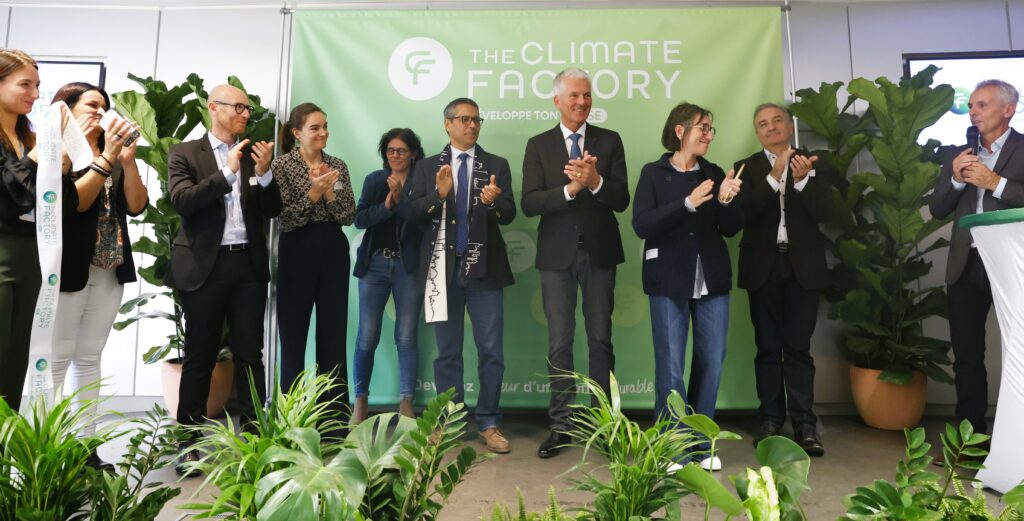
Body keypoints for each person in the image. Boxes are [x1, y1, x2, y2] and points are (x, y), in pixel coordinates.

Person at [165, 84, 281, 476]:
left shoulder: (253, 155)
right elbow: (183, 201)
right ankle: (190, 442)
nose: (246, 114)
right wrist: (228, 170)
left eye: (249, 108)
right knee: (200, 356)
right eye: (239, 107)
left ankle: (255, 437)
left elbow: (272, 209)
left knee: (251, 355)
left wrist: (263, 175)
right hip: (204, 268)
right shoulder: (185, 153)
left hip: (246, 267)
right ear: (214, 108)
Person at [521, 68, 629, 458]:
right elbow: (530, 202)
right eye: (574, 96)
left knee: (600, 339)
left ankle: (604, 424)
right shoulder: (539, 145)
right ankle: (562, 425)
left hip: (600, 253)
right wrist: (570, 189)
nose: (582, 102)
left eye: (586, 95)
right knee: (559, 342)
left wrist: (596, 181)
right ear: (557, 101)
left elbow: (621, 199)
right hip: (555, 256)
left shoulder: (610, 140)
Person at [398, 97, 516, 454]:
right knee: (447, 352)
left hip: (485, 270)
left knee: (491, 350)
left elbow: (509, 213)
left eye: (476, 120)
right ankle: (448, 422)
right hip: (441, 272)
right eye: (464, 119)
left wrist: (494, 200)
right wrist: (438, 195)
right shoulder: (428, 167)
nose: (472, 125)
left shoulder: (496, 164)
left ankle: (490, 422)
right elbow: (410, 212)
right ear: (447, 124)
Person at [632, 102, 742, 472]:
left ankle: (701, 444)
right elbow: (642, 225)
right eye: (703, 127)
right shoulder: (654, 172)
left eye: (711, 129)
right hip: (667, 278)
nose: (709, 135)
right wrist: (686, 204)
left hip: (711, 277)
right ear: (680, 131)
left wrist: (726, 199)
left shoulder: (713, 172)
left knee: (711, 360)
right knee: (671, 366)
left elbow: (729, 228)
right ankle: (671, 446)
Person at [50, 83, 148, 469]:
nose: (100, 111)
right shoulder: (56, 152)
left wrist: (127, 161)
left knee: (89, 356)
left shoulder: (113, 150)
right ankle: (47, 447)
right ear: (66, 109)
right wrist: (105, 158)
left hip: (109, 266)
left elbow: (137, 206)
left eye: (104, 106)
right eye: (91, 105)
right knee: (56, 359)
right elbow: (75, 205)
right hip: (69, 265)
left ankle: (83, 447)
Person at [733, 103, 831, 457]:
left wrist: (803, 181)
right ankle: (771, 420)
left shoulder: (814, 162)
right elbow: (743, 214)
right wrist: (774, 176)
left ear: (789, 126)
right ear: (757, 132)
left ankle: (806, 424)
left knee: (799, 349)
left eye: (777, 121)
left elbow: (828, 213)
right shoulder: (746, 167)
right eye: (763, 124)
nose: (771, 128)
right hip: (763, 268)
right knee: (768, 348)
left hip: (803, 267)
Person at [929, 79, 1024, 436]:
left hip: (1013, 262)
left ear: (1008, 109)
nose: (973, 111)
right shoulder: (961, 153)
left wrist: (994, 182)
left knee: (1020, 352)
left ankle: (1015, 440)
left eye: (982, 105)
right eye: (971, 105)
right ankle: (969, 440)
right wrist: (955, 179)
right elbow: (937, 209)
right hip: (967, 263)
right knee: (968, 358)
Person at [0, 48, 79, 413]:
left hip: (31, 256)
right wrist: (41, 153)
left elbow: (51, 204)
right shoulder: (32, 145)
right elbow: (10, 195)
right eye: (24, 84)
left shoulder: (29, 137)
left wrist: (59, 166)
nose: (35, 94)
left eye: (38, 85)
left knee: (17, 360)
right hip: (3, 253)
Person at [273, 102, 355, 421]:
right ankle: (293, 418)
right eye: (315, 128)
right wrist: (313, 194)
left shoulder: (338, 165)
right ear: (297, 133)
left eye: (325, 126)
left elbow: (348, 214)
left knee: (333, 338)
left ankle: (334, 420)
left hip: (333, 252)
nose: (323, 133)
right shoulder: (282, 166)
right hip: (296, 252)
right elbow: (285, 220)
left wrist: (329, 193)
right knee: (292, 340)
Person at [352, 128, 425, 423]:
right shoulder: (374, 180)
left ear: (414, 154)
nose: (395, 156)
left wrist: (402, 198)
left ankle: (406, 402)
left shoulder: (422, 182)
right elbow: (359, 219)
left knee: (406, 337)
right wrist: (387, 204)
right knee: (367, 336)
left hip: (408, 268)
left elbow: (423, 219)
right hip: (375, 266)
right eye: (390, 151)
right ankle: (360, 401)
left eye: (402, 151)